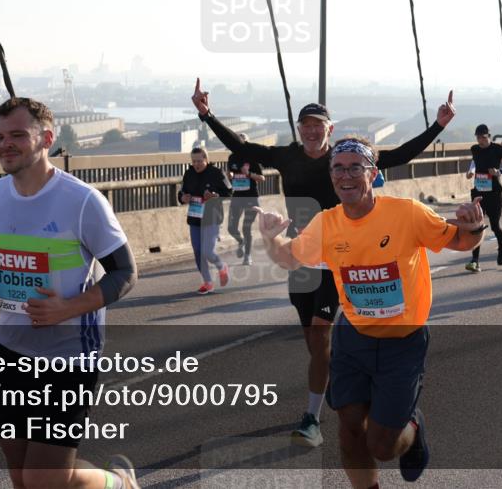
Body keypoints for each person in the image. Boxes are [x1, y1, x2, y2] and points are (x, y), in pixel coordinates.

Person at [192, 79, 456, 448]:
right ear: (299, 130)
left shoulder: (345, 159)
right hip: (302, 257)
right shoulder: (286, 157)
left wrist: (438, 125)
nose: (312, 131)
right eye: (306, 126)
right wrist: (206, 115)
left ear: (329, 129)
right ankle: (339, 384)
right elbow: (242, 147)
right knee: (314, 344)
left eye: (318, 125)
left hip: (338, 257)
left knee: (320, 335)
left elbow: (399, 155)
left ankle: (312, 419)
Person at [0, 97, 140, 489]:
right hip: (9, 354)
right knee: (21, 477)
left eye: (16, 135)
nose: (5, 145)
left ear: (46, 139)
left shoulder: (82, 201)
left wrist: (68, 308)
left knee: (44, 480)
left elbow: (125, 272)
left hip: (67, 359)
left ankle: (119, 484)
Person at [256, 137, 485, 485]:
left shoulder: (407, 213)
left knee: (382, 445)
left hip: (403, 343)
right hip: (354, 339)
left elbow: (461, 241)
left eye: (355, 167)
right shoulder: (326, 224)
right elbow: (289, 258)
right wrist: (271, 238)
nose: (345, 175)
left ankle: (412, 426)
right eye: (338, 168)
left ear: (373, 173)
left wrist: (474, 227)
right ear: (331, 175)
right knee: (350, 429)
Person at [464, 123, 502, 272]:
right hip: (479, 193)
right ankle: (475, 260)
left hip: (494, 193)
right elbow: (474, 161)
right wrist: (471, 171)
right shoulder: (475, 149)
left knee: (494, 225)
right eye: (478, 137)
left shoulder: (497, 148)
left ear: (488, 136)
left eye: (483, 137)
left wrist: (499, 171)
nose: (480, 140)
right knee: (477, 226)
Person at [180, 146, 232, 293]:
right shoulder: (189, 173)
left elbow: (229, 192)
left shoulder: (217, 173)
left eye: (199, 161)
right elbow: (182, 192)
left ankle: (222, 266)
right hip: (195, 217)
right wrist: (183, 198)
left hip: (212, 217)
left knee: (208, 251)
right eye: (193, 161)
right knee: (198, 251)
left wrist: (215, 195)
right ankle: (208, 282)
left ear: (206, 159)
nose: (196, 164)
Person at [226, 134, 265, 266]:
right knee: (231, 228)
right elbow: (230, 173)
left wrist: (249, 174)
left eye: (243, 143)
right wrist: (230, 175)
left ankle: (247, 256)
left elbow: (262, 178)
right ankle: (241, 241)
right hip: (237, 196)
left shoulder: (252, 158)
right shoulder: (232, 157)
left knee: (246, 227)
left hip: (251, 197)